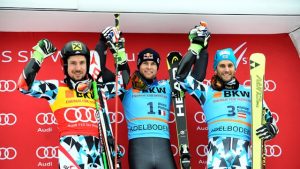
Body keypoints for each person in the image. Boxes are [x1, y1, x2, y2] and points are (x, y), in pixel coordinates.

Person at [176, 24, 279, 169]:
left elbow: (272, 122)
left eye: (230, 65)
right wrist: (197, 47)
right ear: (215, 69)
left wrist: (271, 128)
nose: (226, 69)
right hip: (217, 155)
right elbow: (181, 77)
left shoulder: (251, 91)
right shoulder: (206, 92)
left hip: (244, 154)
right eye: (222, 66)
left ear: (235, 67)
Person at [17, 39, 128, 169]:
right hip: (71, 152)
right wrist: (38, 55)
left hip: (100, 153)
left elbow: (122, 83)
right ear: (65, 65)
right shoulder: (56, 88)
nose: (78, 68)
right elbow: (24, 86)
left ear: (88, 64)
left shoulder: (98, 89)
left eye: (82, 63)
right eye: (73, 63)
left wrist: (119, 52)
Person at [98, 27, 177, 169]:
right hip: (139, 150)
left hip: (163, 148)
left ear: (157, 67)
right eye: (145, 63)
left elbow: (194, 78)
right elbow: (100, 70)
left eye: (153, 64)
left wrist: (200, 46)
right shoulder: (126, 87)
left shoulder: (167, 86)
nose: (149, 67)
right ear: (139, 65)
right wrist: (103, 43)